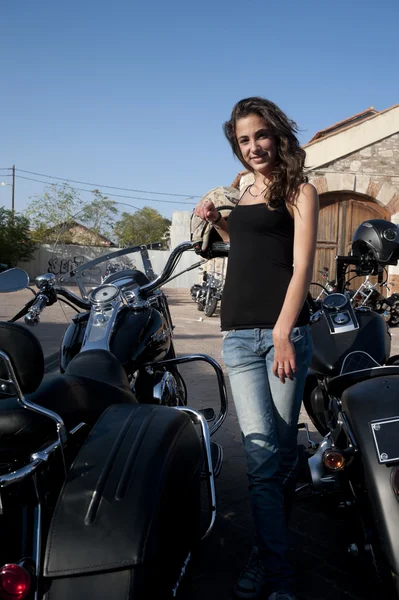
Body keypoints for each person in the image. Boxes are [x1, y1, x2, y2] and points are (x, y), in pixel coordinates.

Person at [194, 97, 319, 600]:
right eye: (244, 140)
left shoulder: (301, 190)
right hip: (238, 334)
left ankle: (266, 557)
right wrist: (217, 220)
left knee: (283, 455)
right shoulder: (242, 189)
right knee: (261, 455)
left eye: (260, 136)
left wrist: (285, 331)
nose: (253, 147)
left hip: (284, 333)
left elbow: (300, 265)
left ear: (278, 135)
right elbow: (245, 245)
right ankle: (278, 568)